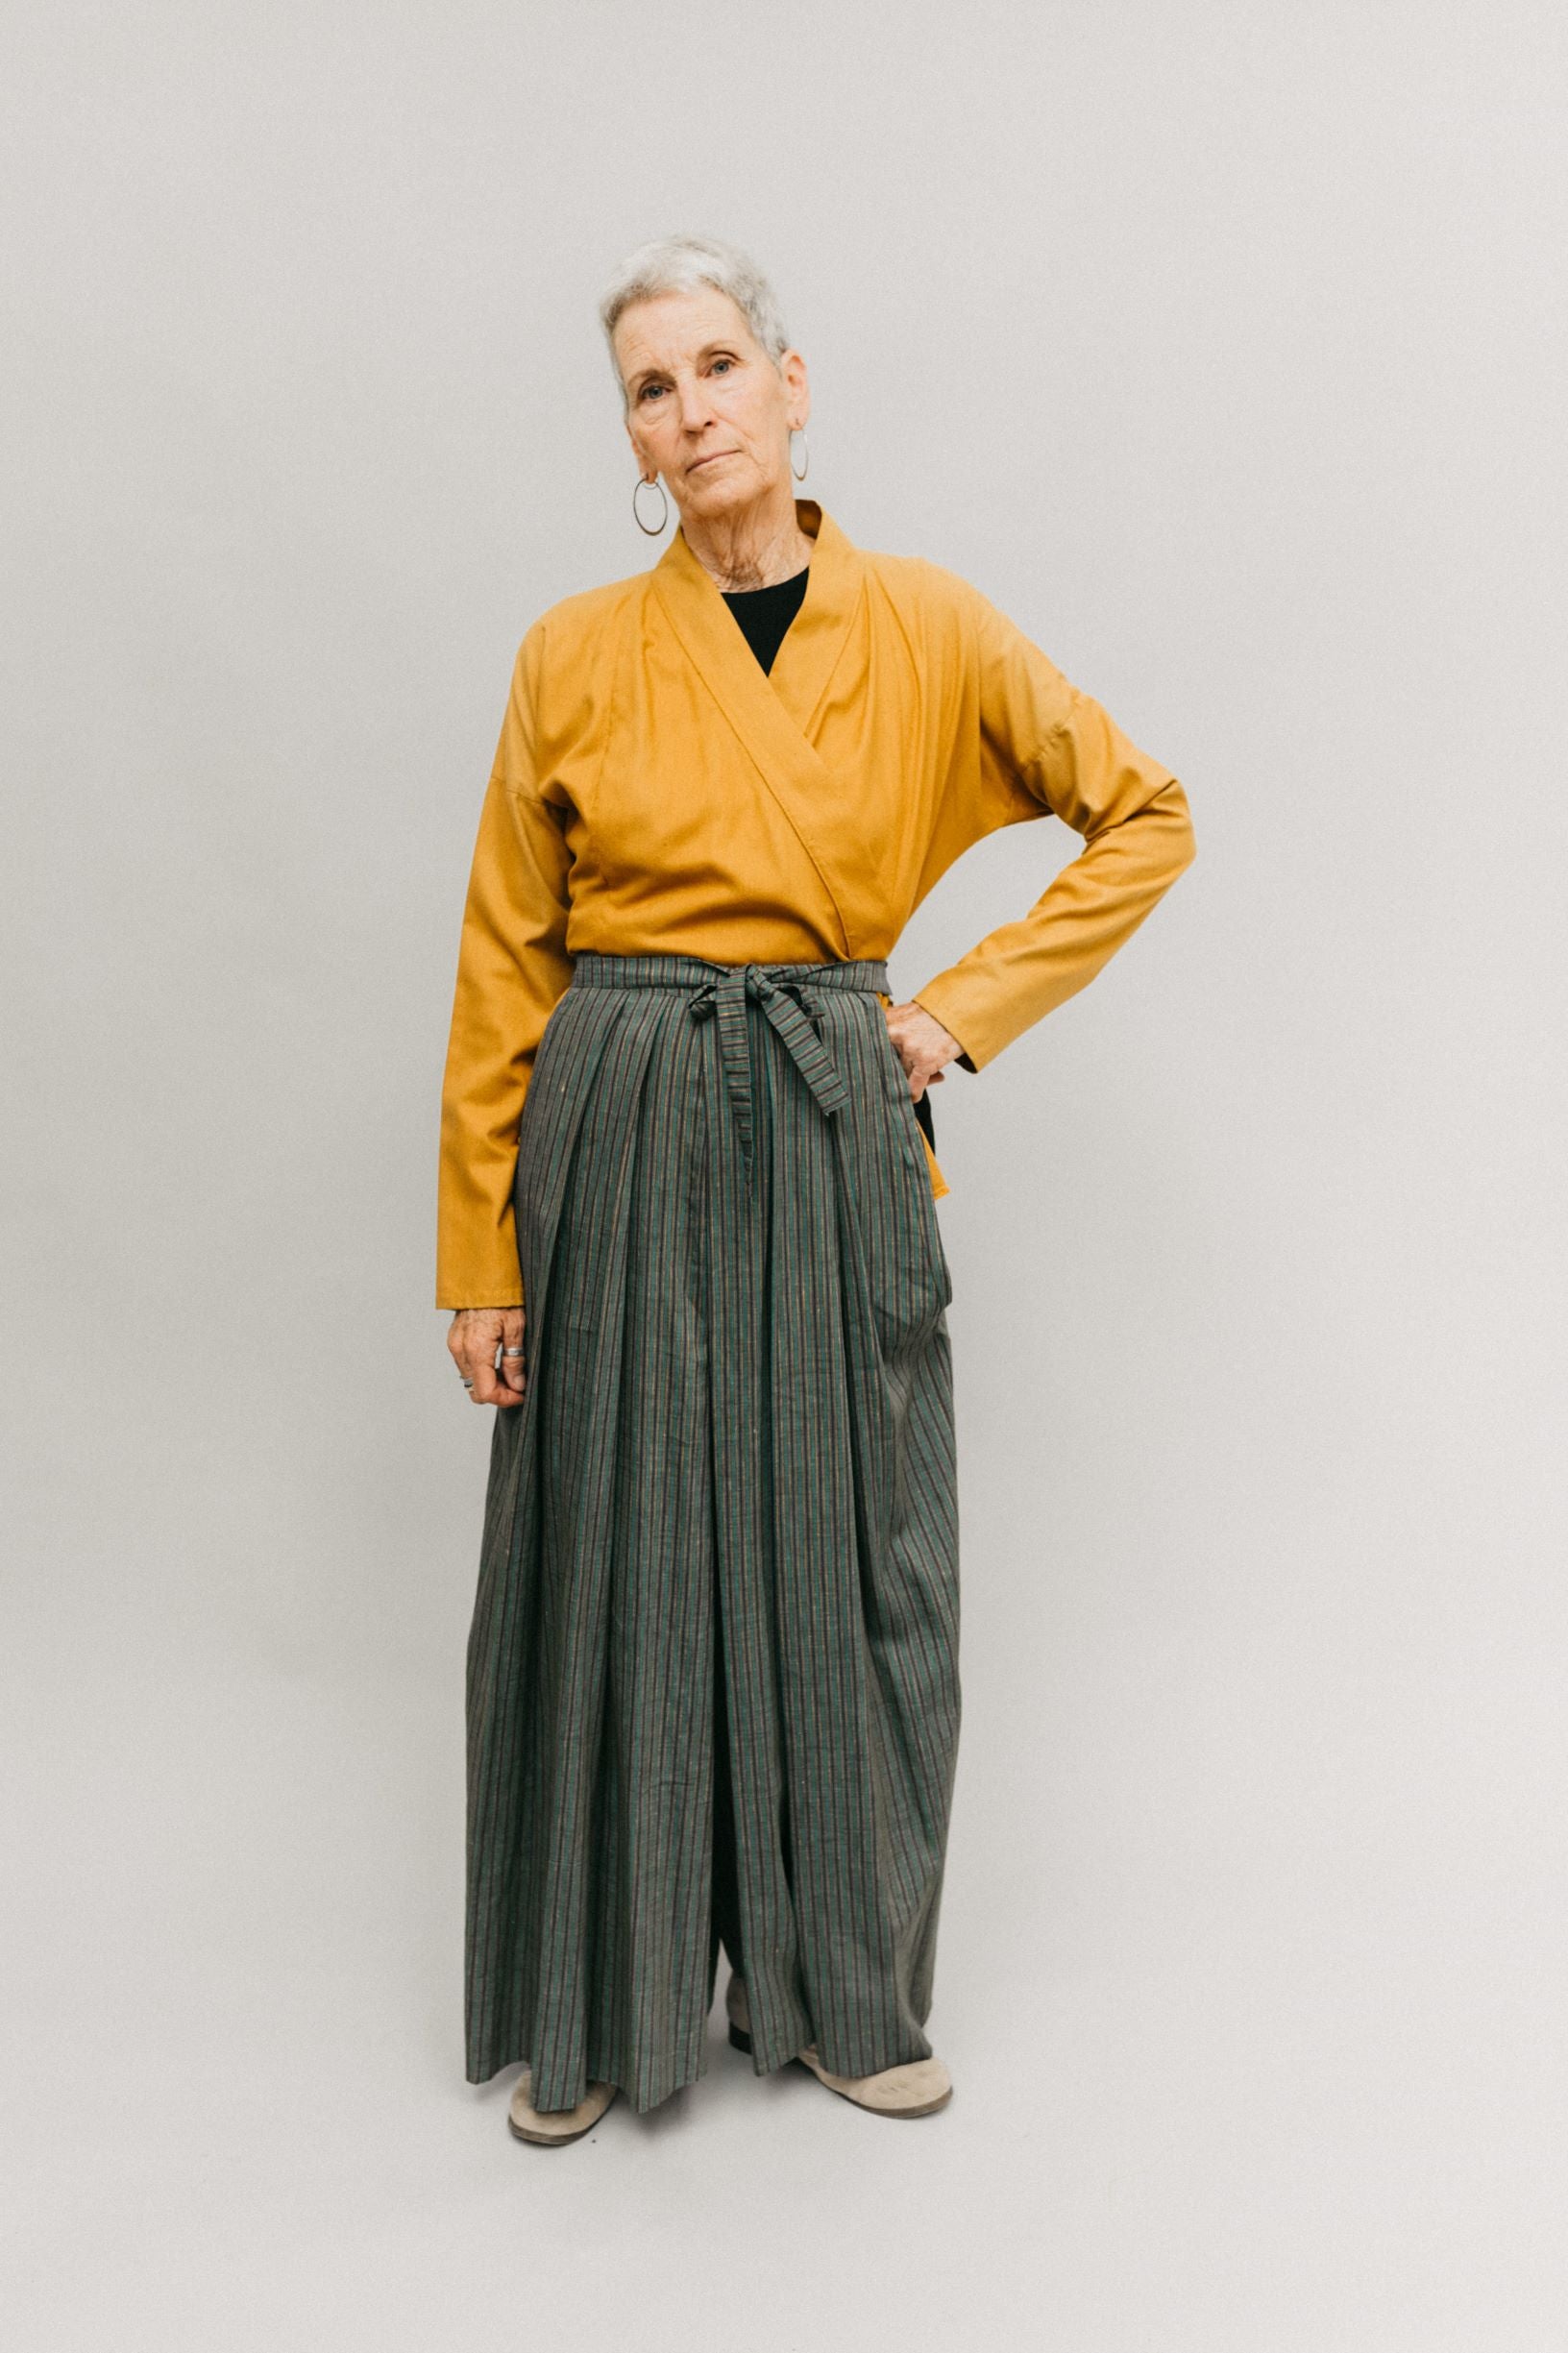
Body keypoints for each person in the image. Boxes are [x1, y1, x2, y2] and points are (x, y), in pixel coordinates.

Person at [437, 232, 1196, 2147]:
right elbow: (504, 956)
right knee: (612, 1537)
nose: (687, 411)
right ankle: (602, 2006)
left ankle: (849, 1989)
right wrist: (478, 1256)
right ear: (631, 431)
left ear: (789, 382)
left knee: (852, 1538)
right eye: (647, 386)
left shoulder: (929, 625)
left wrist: (952, 1013)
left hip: (828, 1101)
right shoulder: (571, 653)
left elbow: (1143, 814)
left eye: (713, 367)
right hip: (611, 1111)